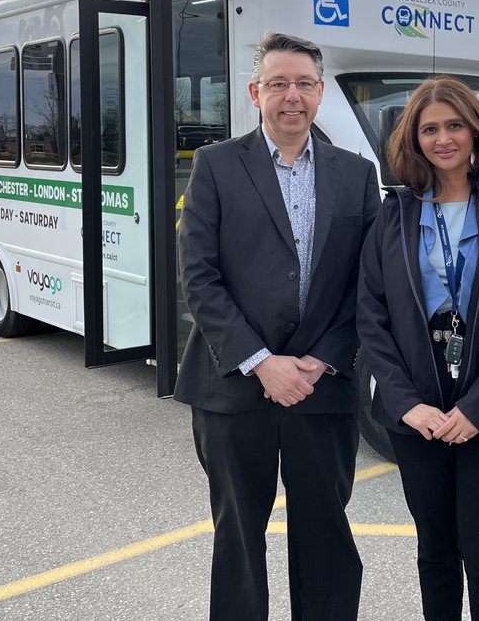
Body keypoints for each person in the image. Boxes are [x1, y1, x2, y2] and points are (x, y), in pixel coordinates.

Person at [175, 31, 380, 621]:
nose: (292, 96)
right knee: (239, 538)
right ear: (254, 92)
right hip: (233, 388)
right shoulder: (216, 165)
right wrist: (262, 363)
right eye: (278, 84)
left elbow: (367, 283)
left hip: (323, 386)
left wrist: (323, 358)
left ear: (320, 92)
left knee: (325, 535)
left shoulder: (356, 174)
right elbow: (199, 275)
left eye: (304, 84)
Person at [357, 76, 479, 621]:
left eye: (454, 125)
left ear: (476, 131)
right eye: (429, 129)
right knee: (435, 553)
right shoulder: (391, 215)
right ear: (413, 139)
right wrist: (405, 403)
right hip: (416, 416)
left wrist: (478, 409)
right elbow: (371, 318)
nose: (443, 138)